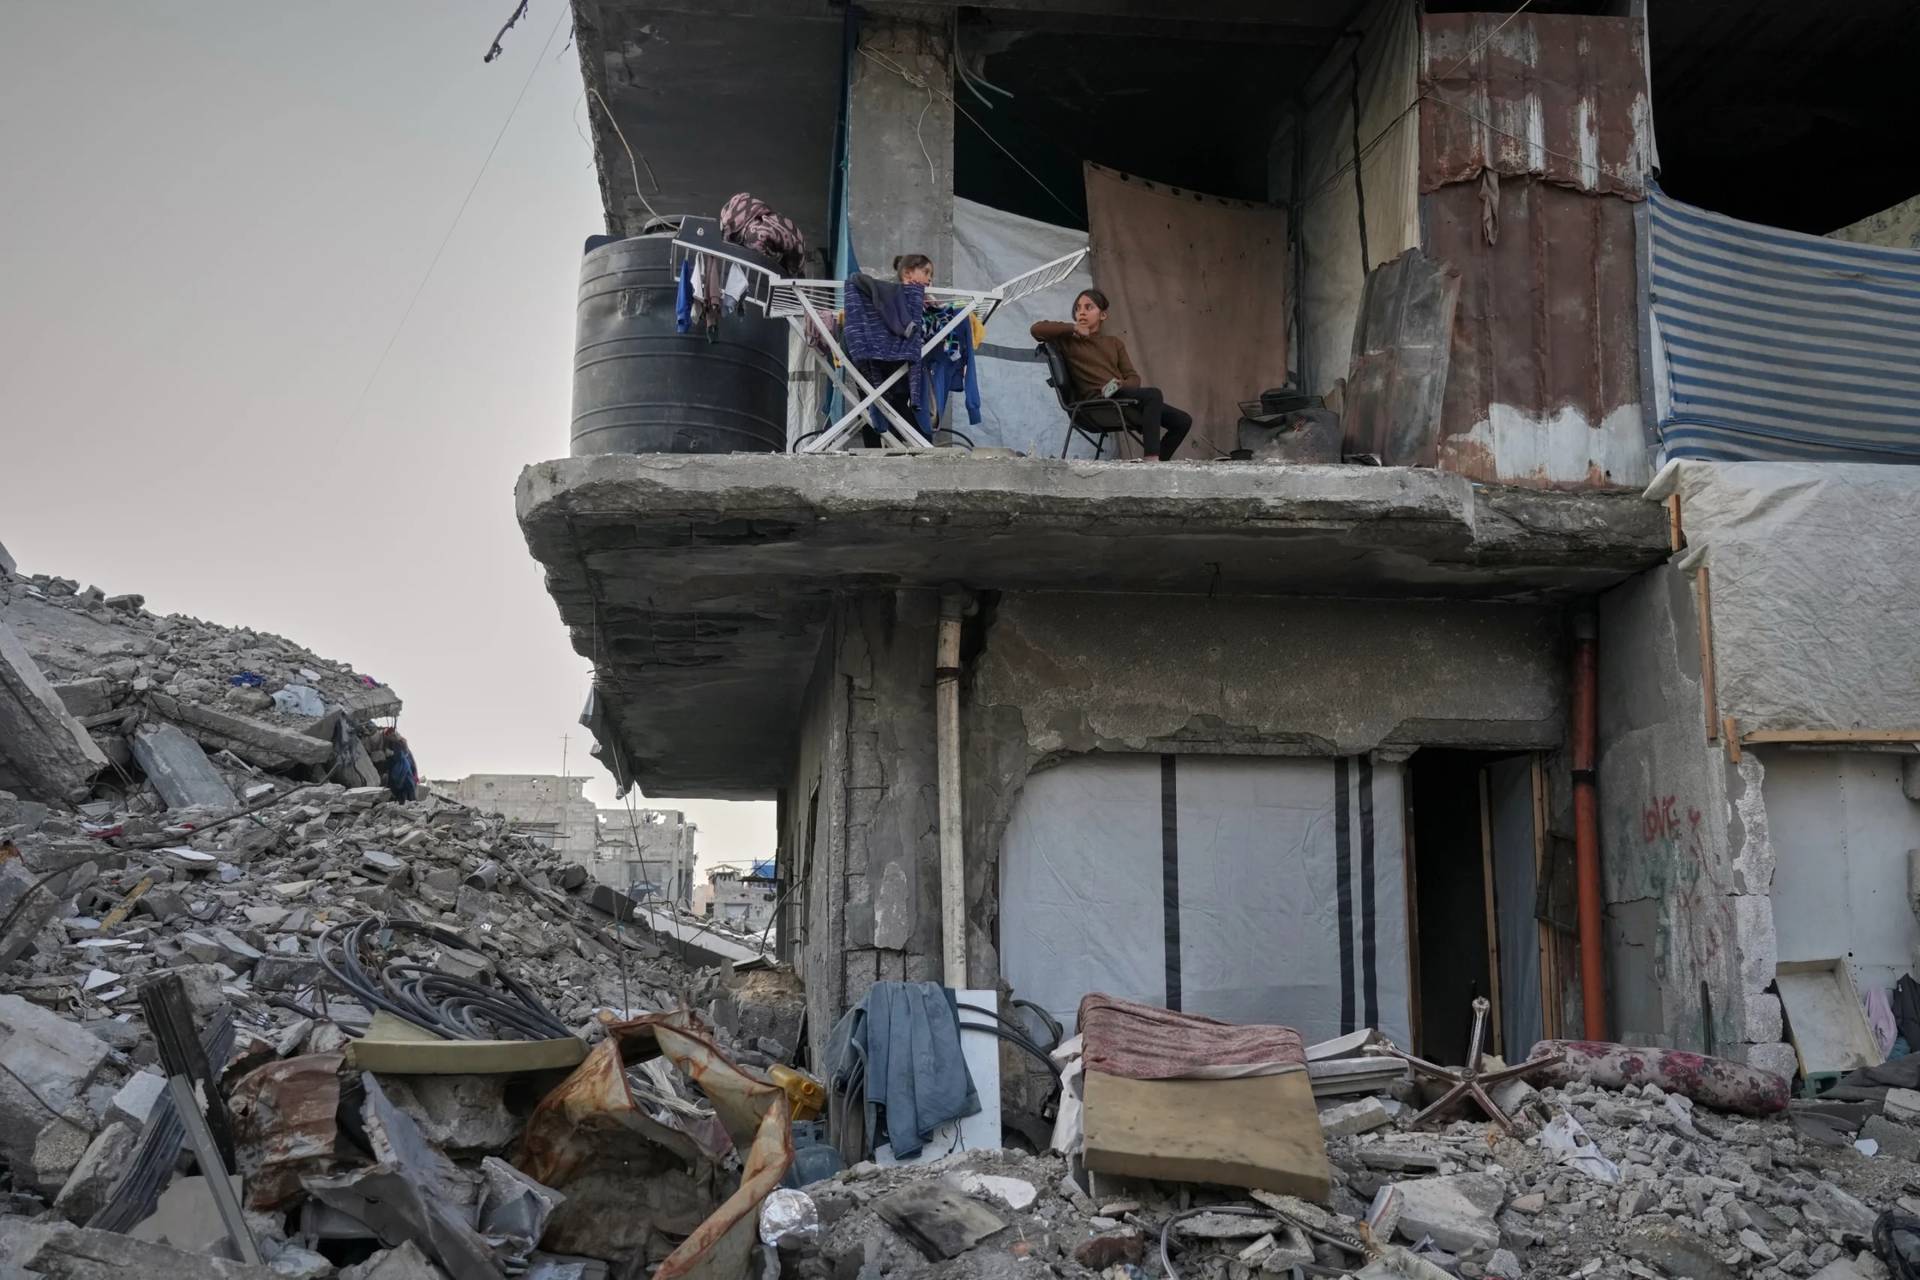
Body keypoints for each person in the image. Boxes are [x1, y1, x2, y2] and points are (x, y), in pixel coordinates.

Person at [1032, 289, 1193, 461]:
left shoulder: (1114, 343)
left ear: (1103, 315)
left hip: (1116, 392)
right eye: (1078, 308)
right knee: (1153, 394)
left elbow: (1133, 378)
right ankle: (1151, 459)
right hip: (1094, 401)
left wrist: (1119, 384)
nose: (1082, 312)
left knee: (1182, 421)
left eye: (1089, 307)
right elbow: (1036, 329)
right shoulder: (1068, 341)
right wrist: (1073, 328)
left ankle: (1159, 461)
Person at [843, 254, 934, 447]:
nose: (929, 279)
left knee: (885, 398)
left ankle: (907, 442)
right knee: (878, 397)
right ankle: (919, 443)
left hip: (893, 357)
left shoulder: (922, 301)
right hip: (884, 353)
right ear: (908, 273)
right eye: (926, 272)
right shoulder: (890, 293)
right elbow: (856, 279)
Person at [383, 729, 419, 803]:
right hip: (397, 772)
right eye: (391, 735)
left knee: (409, 790)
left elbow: (403, 755)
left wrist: (393, 753)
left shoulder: (401, 743)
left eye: (394, 734)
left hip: (404, 771)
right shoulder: (390, 744)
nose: (393, 736)